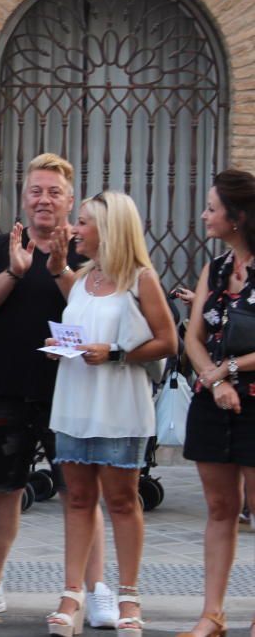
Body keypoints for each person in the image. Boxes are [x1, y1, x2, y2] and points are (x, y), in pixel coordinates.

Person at [0, 153, 118, 628]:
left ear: (70, 200)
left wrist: (61, 267)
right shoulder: (2, 247)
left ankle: (95, 590)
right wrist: (15, 271)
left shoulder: (89, 252)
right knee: (2, 489)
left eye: (54, 192)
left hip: (72, 392)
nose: (44, 200)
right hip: (7, 387)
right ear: (24, 197)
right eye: (36, 191)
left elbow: (96, 313)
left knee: (78, 495)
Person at [45, 191, 176, 637]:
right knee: (78, 499)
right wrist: (63, 346)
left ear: (109, 228)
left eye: (83, 222)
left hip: (120, 404)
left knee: (121, 501)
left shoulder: (140, 279)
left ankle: (129, 597)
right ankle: (72, 593)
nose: (75, 228)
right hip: (76, 399)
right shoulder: (83, 277)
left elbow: (167, 342)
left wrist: (117, 353)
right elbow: (81, 322)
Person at [178, 170, 255, 637]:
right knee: (220, 509)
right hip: (214, 402)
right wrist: (213, 378)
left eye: (212, 207)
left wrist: (227, 371)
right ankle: (213, 615)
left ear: (238, 216)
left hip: (252, 403)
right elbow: (193, 337)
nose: (205, 214)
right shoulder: (216, 269)